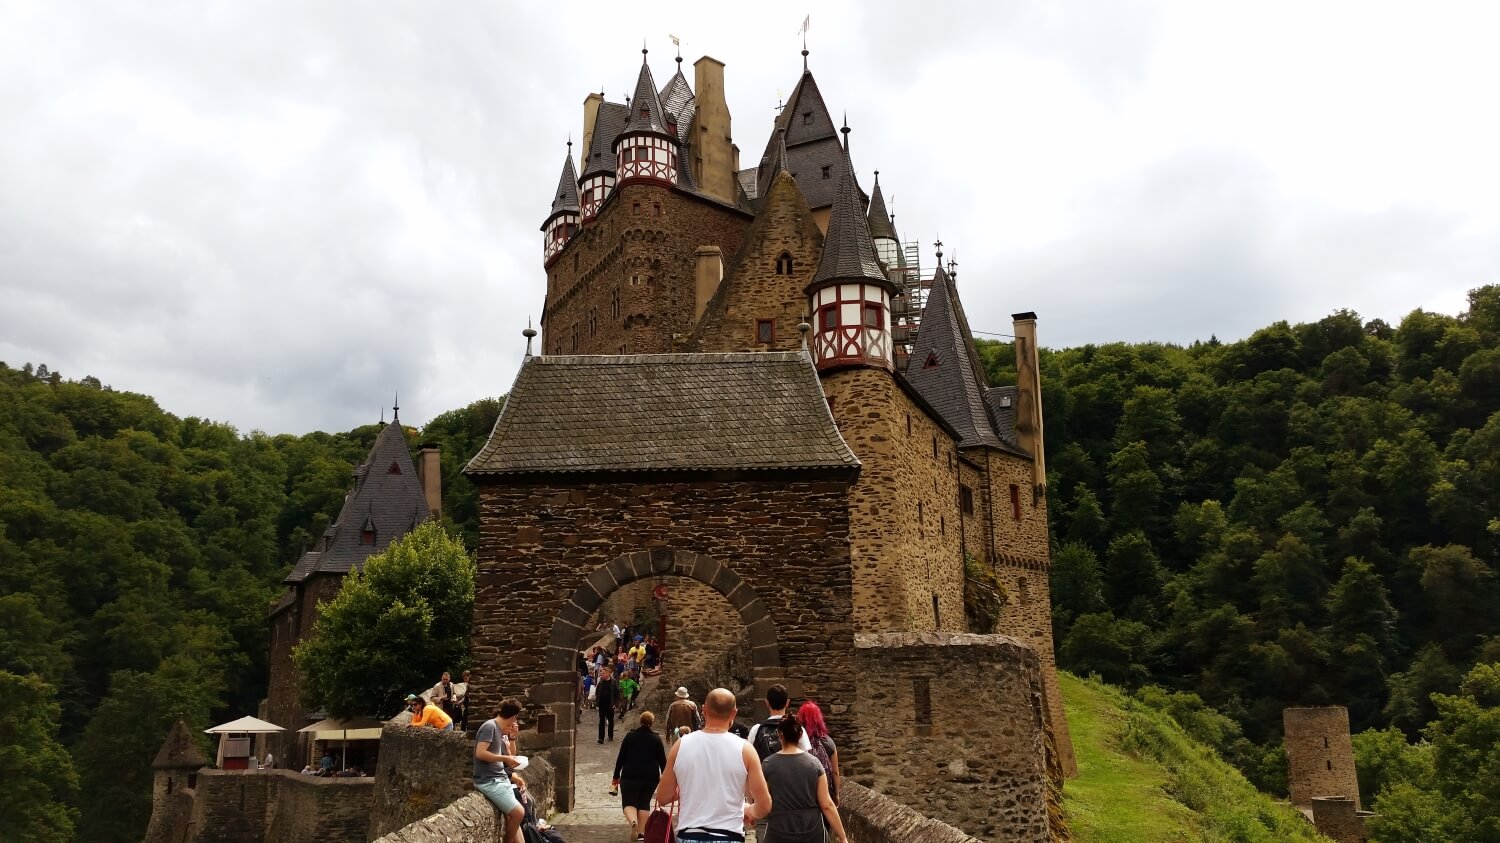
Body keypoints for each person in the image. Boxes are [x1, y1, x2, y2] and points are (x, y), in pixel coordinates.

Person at [654, 687, 773, 841]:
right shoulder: (745, 750)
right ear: (734, 713)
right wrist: (749, 810)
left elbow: (663, 797)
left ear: (704, 710)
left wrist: (688, 789)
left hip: (689, 835)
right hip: (729, 835)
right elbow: (764, 805)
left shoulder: (680, 746)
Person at [762, 715, 849, 843]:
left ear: (780, 734)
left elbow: (764, 802)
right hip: (812, 831)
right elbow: (827, 805)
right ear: (801, 734)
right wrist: (842, 837)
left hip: (778, 830)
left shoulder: (768, 764)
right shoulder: (815, 764)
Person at [474, 698, 526, 843]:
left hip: (499, 778)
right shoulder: (490, 727)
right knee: (518, 813)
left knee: (515, 819)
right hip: (488, 780)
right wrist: (506, 759)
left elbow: (508, 755)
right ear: (514, 716)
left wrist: (509, 755)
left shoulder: (498, 728)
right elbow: (480, 753)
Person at [613, 710, 668, 840]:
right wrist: (665, 777)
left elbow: (621, 757)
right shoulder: (656, 738)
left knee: (628, 802)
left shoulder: (630, 736)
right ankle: (642, 833)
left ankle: (633, 822)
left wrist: (616, 775)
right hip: (650, 776)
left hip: (630, 774)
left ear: (640, 721)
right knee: (644, 802)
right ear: (652, 723)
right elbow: (662, 761)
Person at [747, 683, 811, 760]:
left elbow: (750, 757)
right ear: (787, 702)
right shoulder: (797, 728)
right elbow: (805, 757)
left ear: (767, 703)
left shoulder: (756, 729)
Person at [796, 701, 840, 804]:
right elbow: (835, 771)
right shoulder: (828, 742)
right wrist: (837, 794)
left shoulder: (796, 741)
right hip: (825, 795)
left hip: (803, 795)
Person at [595, 666, 619, 743]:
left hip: (610, 704)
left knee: (610, 721)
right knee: (601, 721)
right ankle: (601, 738)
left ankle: (610, 736)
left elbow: (617, 693)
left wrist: (615, 703)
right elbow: (597, 692)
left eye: (603, 673)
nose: (602, 675)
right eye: (601, 673)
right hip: (602, 704)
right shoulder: (601, 682)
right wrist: (597, 702)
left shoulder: (613, 682)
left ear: (608, 673)